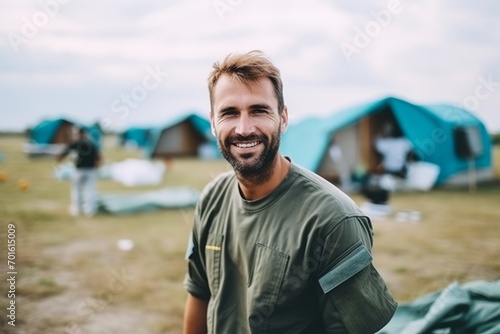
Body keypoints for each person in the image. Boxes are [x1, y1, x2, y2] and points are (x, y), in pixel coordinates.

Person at [183, 50, 397, 334]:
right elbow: (200, 293)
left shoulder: (333, 221)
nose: (244, 128)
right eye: (229, 113)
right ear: (212, 122)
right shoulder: (212, 198)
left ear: (283, 118)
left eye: (259, 110)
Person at [56, 127, 101, 217]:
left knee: (76, 191)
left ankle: (76, 210)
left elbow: (63, 153)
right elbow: (99, 158)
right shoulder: (91, 144)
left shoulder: (75, 144)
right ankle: (90, 211)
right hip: (90, 170)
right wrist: (97, 167)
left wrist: (58, 160)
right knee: (90, 191)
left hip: (79, 171)